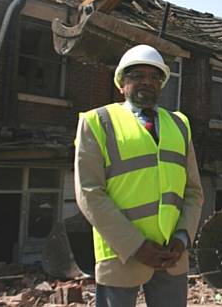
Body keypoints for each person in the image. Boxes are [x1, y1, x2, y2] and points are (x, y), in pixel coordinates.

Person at [74, 44, 204, 307]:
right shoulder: (97, 122)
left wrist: (181, 240)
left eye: (155, 76)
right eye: (137, 76)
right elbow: (89, 193)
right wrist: (135, 246)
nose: (148, 81)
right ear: (121, 83)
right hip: (122, 254)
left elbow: (193, 192)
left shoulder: (179, 125)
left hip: (171, 256)